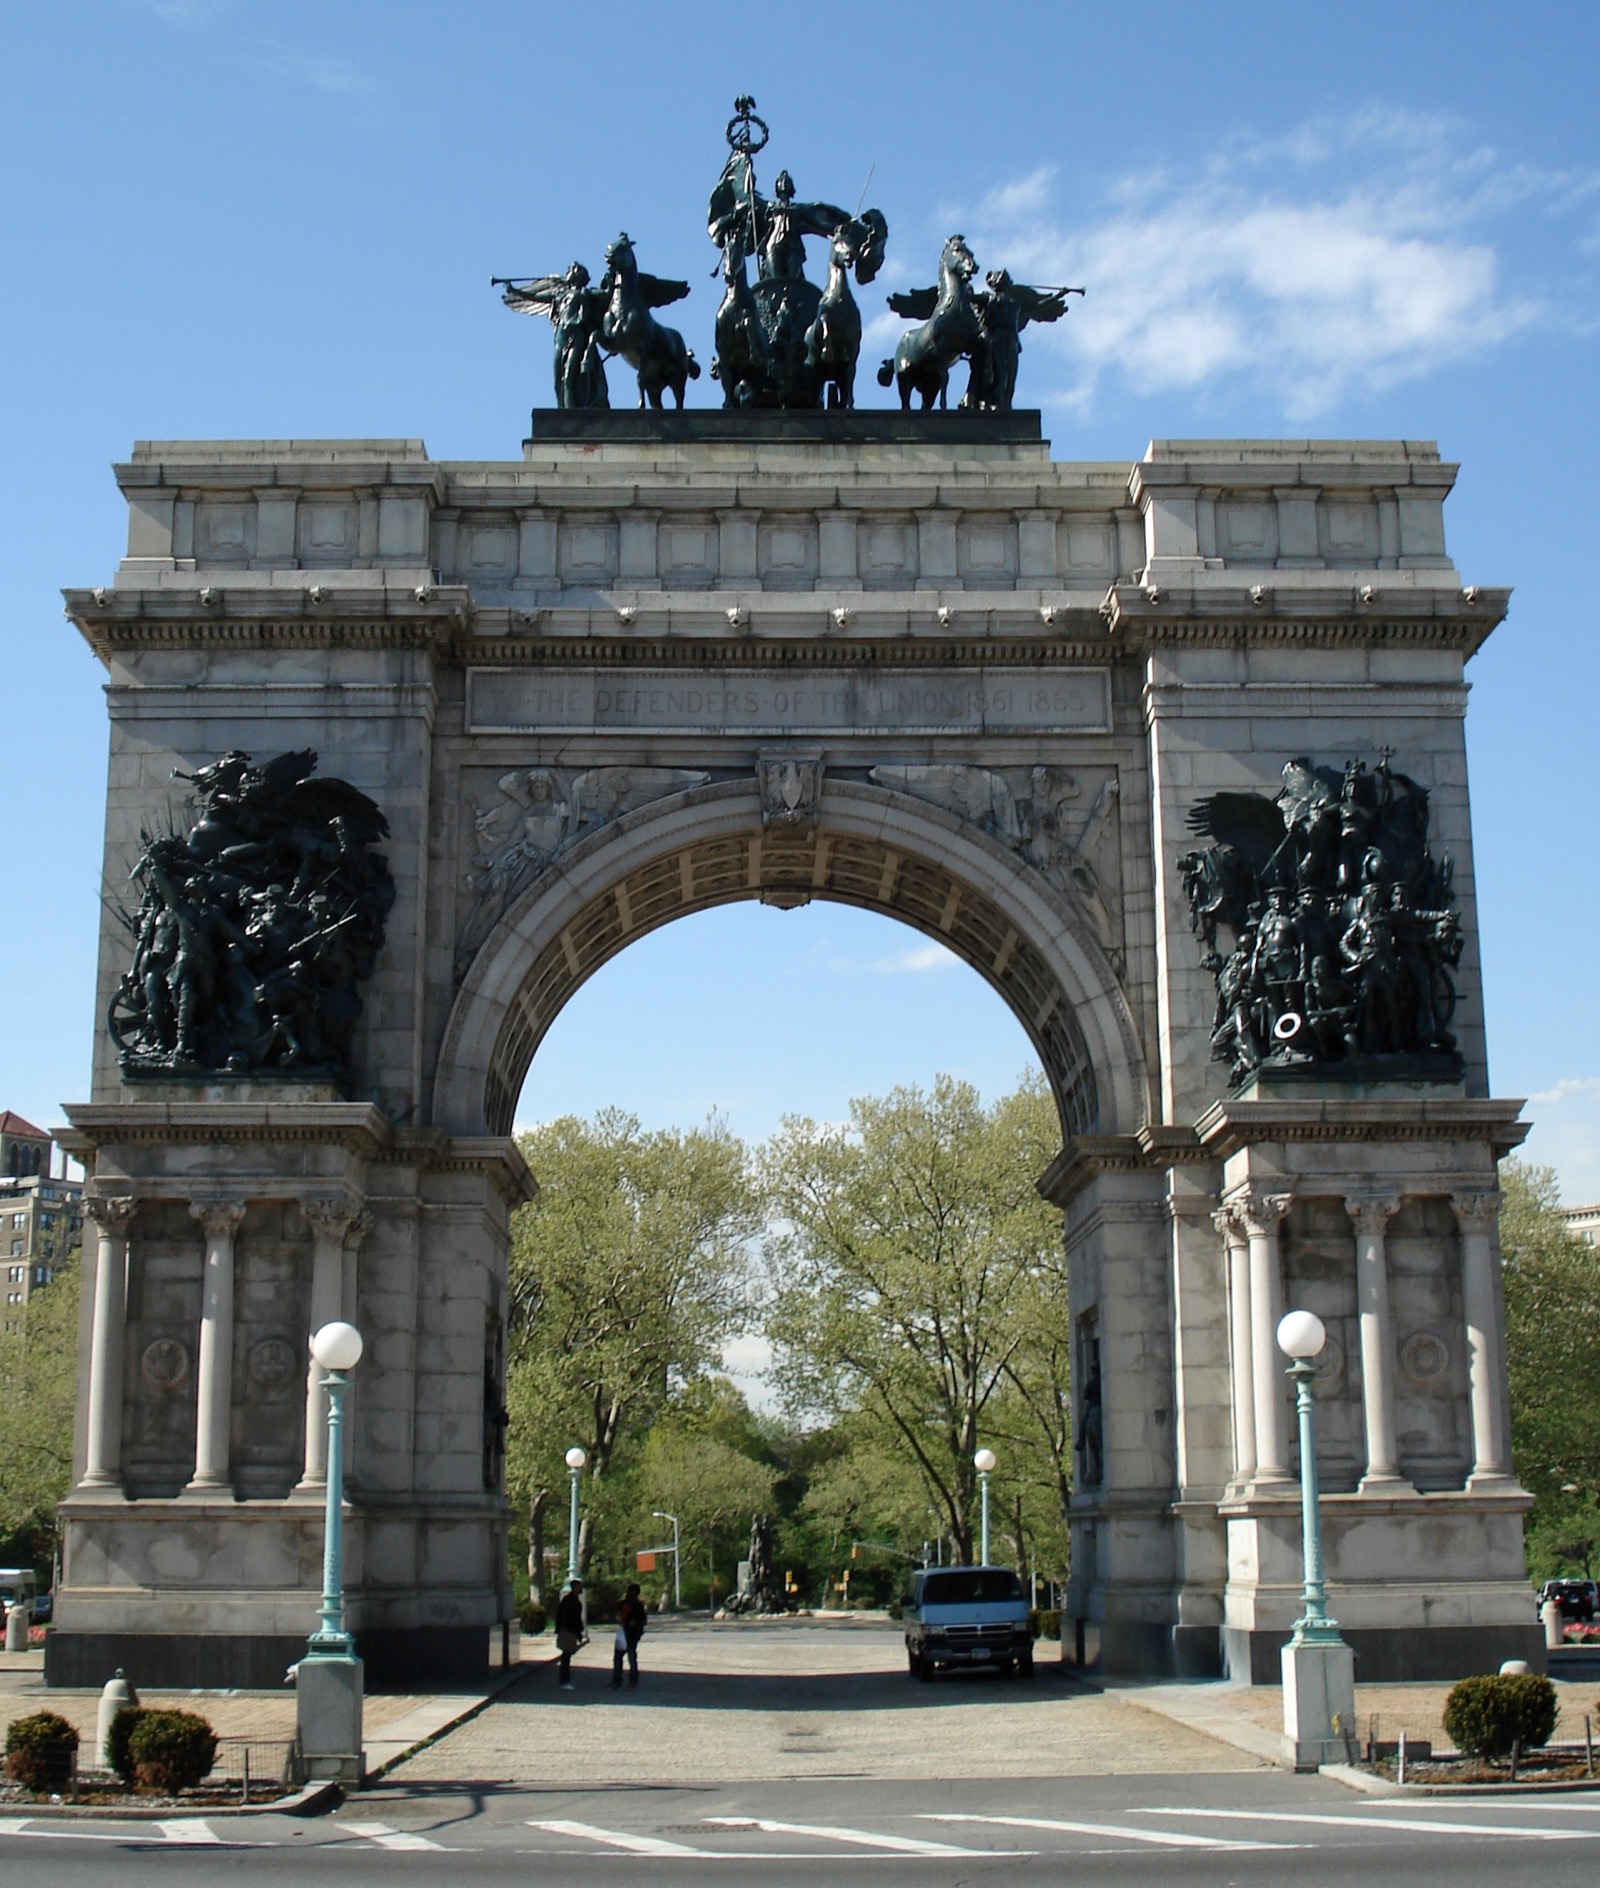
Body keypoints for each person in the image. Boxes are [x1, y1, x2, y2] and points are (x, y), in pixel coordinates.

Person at [612, 1582, 648, 1689]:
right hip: (623, 1633)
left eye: (631, 1592)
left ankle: (632, 1681)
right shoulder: (624, 1603)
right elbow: (617, 1610)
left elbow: (643, 1621)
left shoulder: (638, 1606)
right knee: (618, 1657)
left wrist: (634, 1623)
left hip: (633, 1635)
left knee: (631, 1657)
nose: (628, 1594)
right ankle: (617, 1680)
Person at [555, 1579, 586, 1691]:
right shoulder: (570, 1601)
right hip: (568, 1630)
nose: (581, 1589)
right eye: (580, 1587)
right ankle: (564, 1681)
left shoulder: (572, 1600)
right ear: (575, 1587)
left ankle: (565, 1680)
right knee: (566, 1656)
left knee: (566, 1656)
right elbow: (570, 1618)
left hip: (568, 1630)